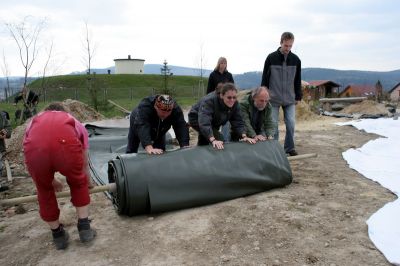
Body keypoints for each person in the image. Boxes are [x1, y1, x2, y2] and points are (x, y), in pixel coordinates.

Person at [23, 102, 96, 250]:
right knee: (78, 182)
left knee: (43, 190)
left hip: (35, 151)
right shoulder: (72, 120)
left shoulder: (33, 122)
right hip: (66, 147)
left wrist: (50, 181)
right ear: (63, 111)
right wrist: (87, 180)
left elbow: (28, 151)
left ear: (46, 111)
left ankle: (58, 236)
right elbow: (84, 161)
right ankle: (85, 229)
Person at [261, 31, 302, 156]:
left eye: (290, 46)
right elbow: (265, 78)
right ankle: (275, 150)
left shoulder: (296, 60)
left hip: (290, 98)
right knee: (273, 126)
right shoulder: (271, 58)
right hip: (273, 98)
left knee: (291, 123)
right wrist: (264, 94)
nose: (288, 49)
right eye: (286, 46)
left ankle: (289, 148)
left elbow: (297, 79)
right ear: (281, 42)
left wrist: (298, 96)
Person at [189, 82, 256, 150]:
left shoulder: (235, 104)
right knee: (219, 140)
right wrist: (213, 140)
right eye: (229, 97)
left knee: (205, 139)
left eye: (234, 97)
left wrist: (244, 136)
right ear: (221, 95)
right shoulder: (209, 101)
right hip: (196, 119)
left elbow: (237, 121)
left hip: (214, 120)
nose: (232, 100)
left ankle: (202, 152)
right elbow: (204, 123)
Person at [207, 57, 235, 141]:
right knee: (213, 121)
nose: (223, 65)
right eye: (221, 63)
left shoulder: (229, 75)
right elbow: (209, 89)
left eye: (225, 63)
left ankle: (225, 141)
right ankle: (212, 138)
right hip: (215, 101)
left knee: (226, 122)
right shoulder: (213, 75)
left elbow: (232, 87)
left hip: (226, 101)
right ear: (218, 64)